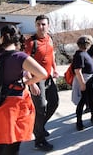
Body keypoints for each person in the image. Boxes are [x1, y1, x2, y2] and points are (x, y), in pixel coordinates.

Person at [0, 25, 47, 155]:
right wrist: (27, 82)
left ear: (1, 38)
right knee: (12, 146)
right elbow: (42, 74)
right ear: (17, 39)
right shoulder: (20, 57)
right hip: (13, 107)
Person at [24, 14, 59, 152]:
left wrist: (55, 70)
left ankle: (38, 127)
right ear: (35, 25)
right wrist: (31, 83)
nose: (41, 27)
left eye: (43, 24)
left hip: (48, 78)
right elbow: (24, 63)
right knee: (41, 107)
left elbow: (52, 56)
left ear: (48, 25)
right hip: (36, 80)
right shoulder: (31, 42)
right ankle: (39, 141)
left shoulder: (50, 39)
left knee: (54, 102)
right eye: (38, 24)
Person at [72, 35, 93, 131]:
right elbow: (77, 70)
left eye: (87, 43)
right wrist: (82, 84)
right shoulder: (79, 55)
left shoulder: (85, 53)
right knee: (81, 102)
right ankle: (79, 123)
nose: (87, 45)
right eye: (85, 43)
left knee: (91, 100)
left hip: (90, 80)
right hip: (84, 81)